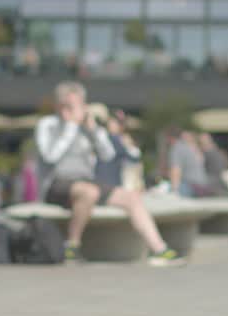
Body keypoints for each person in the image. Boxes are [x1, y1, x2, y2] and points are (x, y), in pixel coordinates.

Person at [35, 82, 184, 265]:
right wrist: (70, 127)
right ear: (61, 106)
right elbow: (49, 157)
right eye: (75, 106)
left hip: (87, 182)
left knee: (131, 197)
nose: (81, 109)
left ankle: (159, 249)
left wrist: (94, 131)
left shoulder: (88, 127)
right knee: (89, 192)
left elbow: (108, 154)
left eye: (82, 104)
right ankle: (72, 246)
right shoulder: (48, 125)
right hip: (57, 183)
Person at [92, 107, 141, 189]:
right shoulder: (105, 137)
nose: (116, 125)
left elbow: (134, 158)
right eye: (114, 122)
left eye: (119, 123)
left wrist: (128, 146)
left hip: (113, 180)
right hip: (103, 179)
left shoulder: (119, 139)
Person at [168, 127, 211, 197]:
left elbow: (175, 170)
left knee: (163, 189)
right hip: (203, 185)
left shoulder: (177, 148)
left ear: (169, 138)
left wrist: (174, 190)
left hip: (191, 186)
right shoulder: (191, 147)